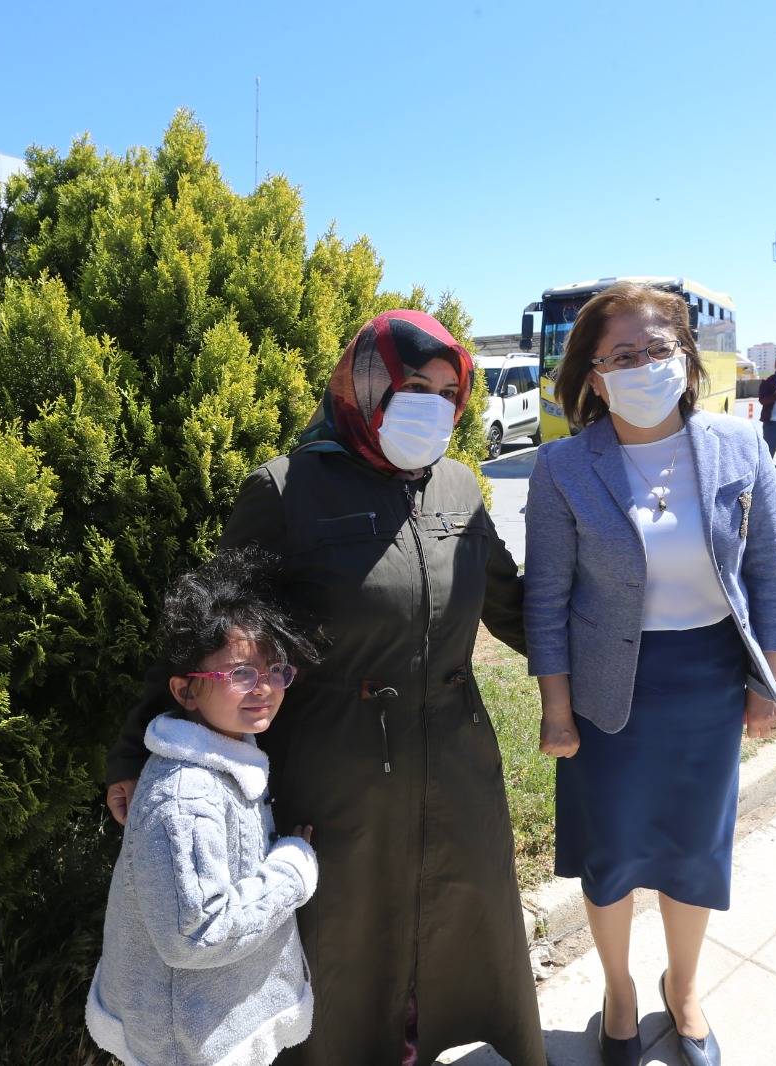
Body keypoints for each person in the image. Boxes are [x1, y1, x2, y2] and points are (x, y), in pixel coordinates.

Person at [104, 311, 545, 1066]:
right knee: (345, 949)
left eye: (448, 392)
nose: (432, 406)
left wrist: (627, 636)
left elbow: (517, 610)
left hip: (458, 765)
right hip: (337, 769)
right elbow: (212, 622)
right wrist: (130, 750)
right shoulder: (286, 489)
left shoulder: (460, 489)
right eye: (414, 385)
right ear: (366, 382)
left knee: (451, 925)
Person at [524, 283, 776, 1066]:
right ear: (595, 374)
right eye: (622, 355)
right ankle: (618, 991)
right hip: (609, 694)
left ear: (687, 355)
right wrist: (556, 709)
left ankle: (683, 988)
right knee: (609, 857)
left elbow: (768, 575)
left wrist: (765, 679)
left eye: (657, 348)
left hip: (708, 683)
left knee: (692, 851)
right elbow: (547, 600)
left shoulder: (740, 447)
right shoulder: (563, 467)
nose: (644, 365)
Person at [87, 549, 321, 1066]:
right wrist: (291, 871)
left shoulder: (230, 754)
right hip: (188, 1038)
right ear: (185, 691)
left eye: (275, 670)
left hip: (206, 1020)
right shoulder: (184, 799)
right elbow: (197, 933)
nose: (264, 687)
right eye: (240, 674)